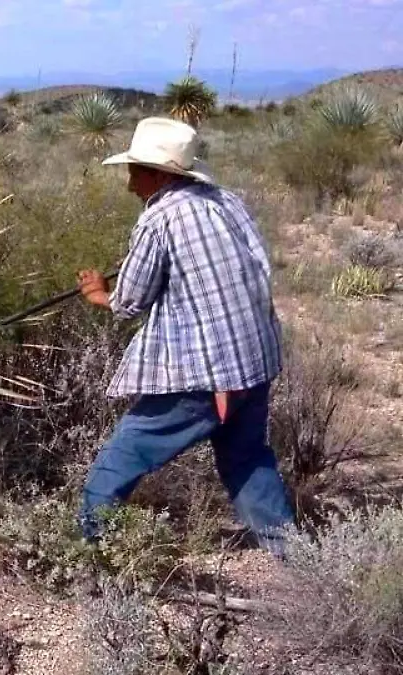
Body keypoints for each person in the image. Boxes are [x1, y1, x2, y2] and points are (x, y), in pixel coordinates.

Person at [75, 116, 295, 557]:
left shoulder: (159, 219)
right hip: (255, 364)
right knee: (247, 460)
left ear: (159, 174)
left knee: (123, 456)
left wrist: (98, 293)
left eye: (134, 171)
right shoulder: (225, 201)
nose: (129, 183)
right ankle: (303, 565)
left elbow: (129, 303)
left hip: (207, 374)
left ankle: (86, 552)